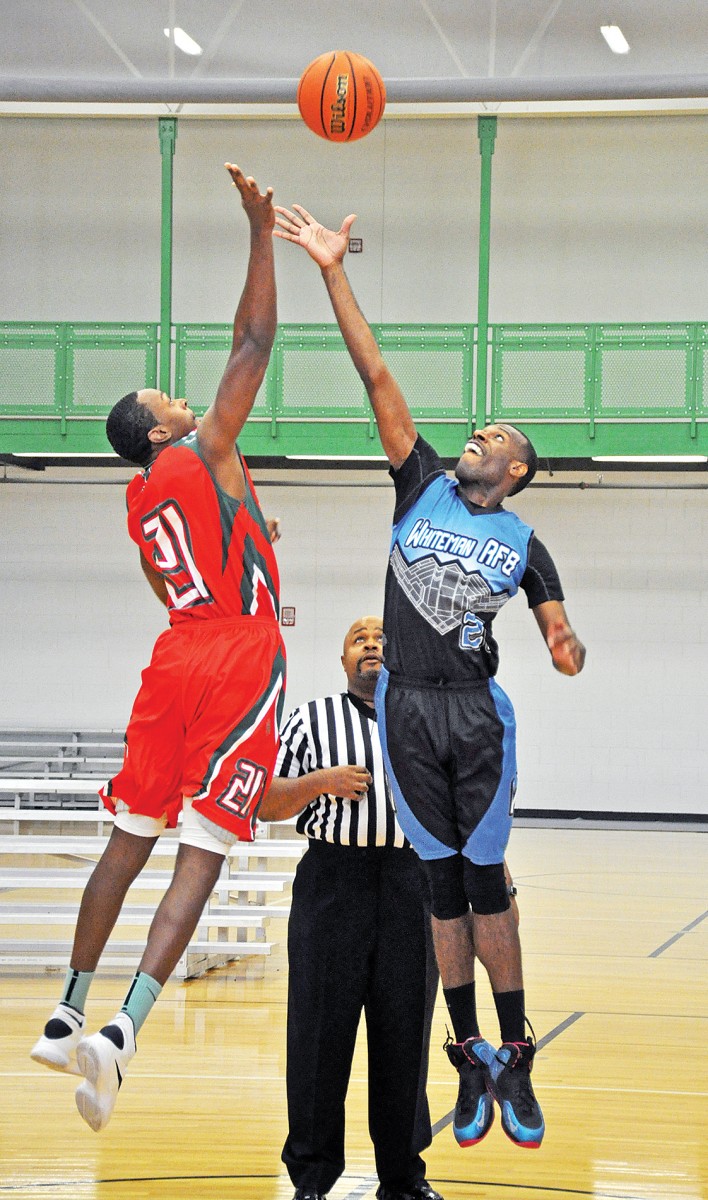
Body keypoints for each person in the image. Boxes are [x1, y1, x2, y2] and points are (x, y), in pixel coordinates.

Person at [273, 202, 586, 1152]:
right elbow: (376, 374)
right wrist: (332, 270)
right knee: (439, 885)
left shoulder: (525, 542)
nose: (478, 436)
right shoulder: (421, 484)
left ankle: (518, 1045)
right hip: (407, 708)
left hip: (473, 714)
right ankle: (470, 1053)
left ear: (518, 471)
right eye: (480, 430)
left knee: (486, 880)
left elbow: (561, 636)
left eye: (495, 437)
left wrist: (568, 648)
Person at [31, 166, 286, 1134]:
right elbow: (254, 339)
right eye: (165, 397)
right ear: (158, 429)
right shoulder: (203, 451)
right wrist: (260, 232)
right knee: (203, 852)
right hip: (235, 656)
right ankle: (123, 1033)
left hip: (173, 654)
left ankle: (65, 1010)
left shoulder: (139, 503)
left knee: (126, 840)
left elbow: (169, 588)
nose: (182, 397)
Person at [260, 616, 442, 1200]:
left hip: (410, 887)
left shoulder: (425, 720)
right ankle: (311, 1179)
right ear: (343, 661)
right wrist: (321, 782)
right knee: (319, 1032)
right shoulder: (312, 720)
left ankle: (402, 1178)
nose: (372, 645)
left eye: (382, 638)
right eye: (359, 639)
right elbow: (264, 801)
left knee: (405, 1033)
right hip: (333, 885)